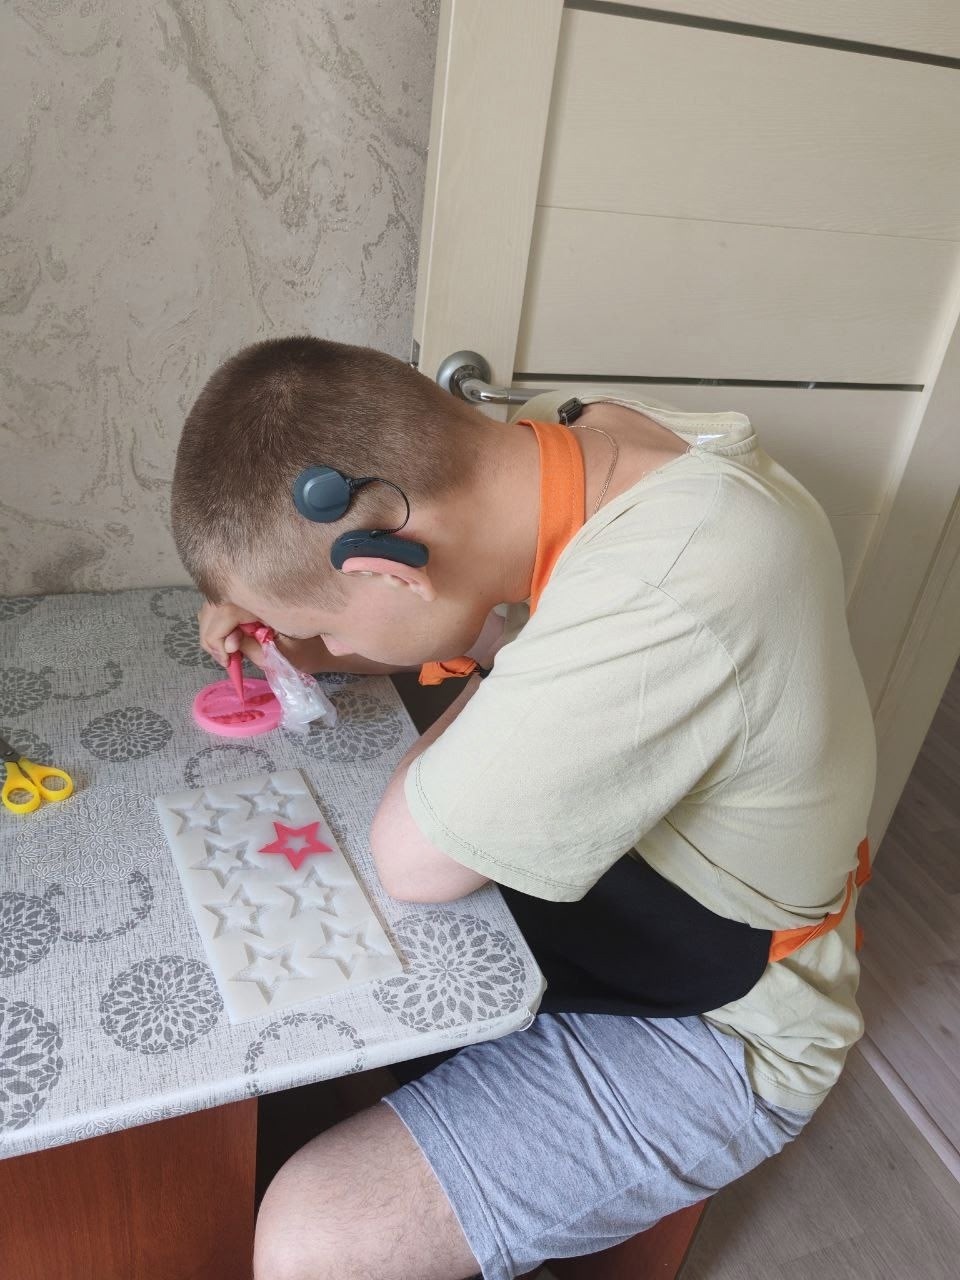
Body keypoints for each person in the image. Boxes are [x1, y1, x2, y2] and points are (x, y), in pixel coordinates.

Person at [171, 335, 877, 1280]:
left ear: (389, 570)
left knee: (316, 1237)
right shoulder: (570, 438)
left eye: (325, 629)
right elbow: (467, 624)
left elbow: (413, 857)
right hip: (629, 906)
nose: (325, 651)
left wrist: (482, 661)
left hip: (731, 1028)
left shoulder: (671, 582)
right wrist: (296, 627)